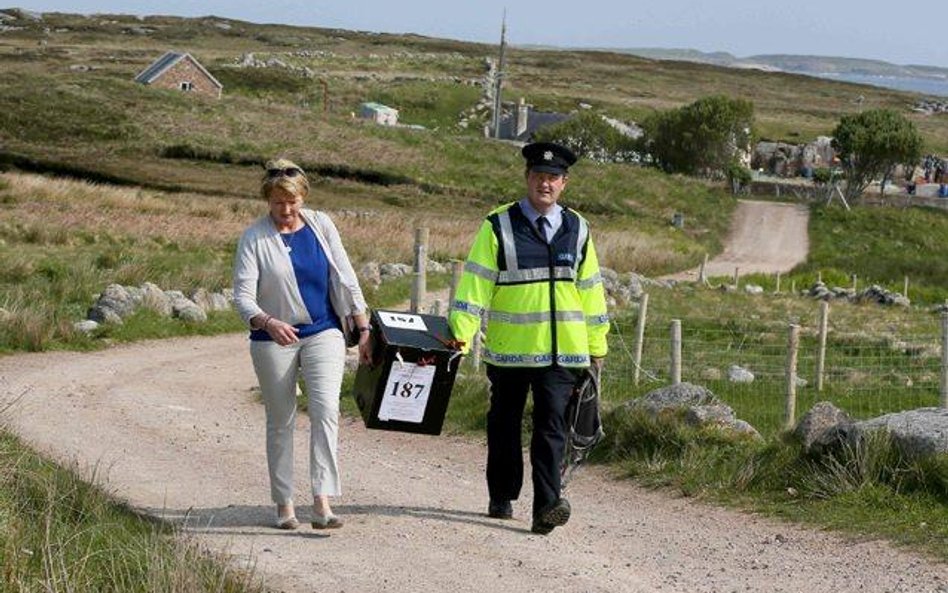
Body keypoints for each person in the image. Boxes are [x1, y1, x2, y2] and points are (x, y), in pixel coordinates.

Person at [448, 142, 609, 535]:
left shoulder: (578, 228)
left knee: (552, 427)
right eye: (539, 175)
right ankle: (502, 494)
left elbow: (590, 289)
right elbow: (476, 284)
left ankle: (546, 509)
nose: (545, 183)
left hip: (563, 354)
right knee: (504, 424)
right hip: (510, 351)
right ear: (527, 178)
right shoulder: (498, 224)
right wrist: (461, 334)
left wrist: (596, 345)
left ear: (564, 184)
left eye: (553, 177)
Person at [233, 158, 371, 531]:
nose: (286, 210)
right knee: (281, 420)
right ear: (268, 200)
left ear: (303, 198)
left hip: (323, 331)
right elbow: (242, 296)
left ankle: (322, 501)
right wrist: (267, 321)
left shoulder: (321, 224)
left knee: (325, 409)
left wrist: (362, 323)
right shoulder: (254, 237)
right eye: (279, 202)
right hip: (271, 337)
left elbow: (345, 274)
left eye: (292, 202)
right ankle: (283, 503)